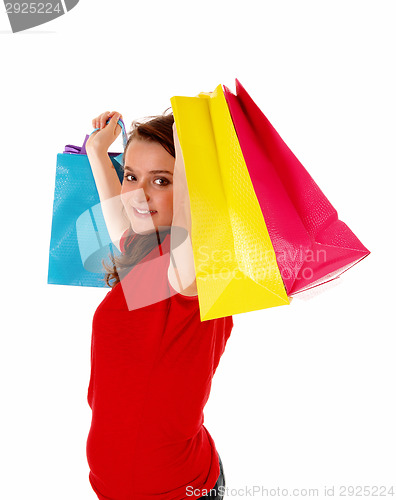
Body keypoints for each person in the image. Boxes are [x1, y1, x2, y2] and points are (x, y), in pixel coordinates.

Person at [85, 109, 233, 500]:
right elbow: (120, 220)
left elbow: (188, 213)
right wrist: (99, 153)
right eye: (131, 176)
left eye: (162, 181)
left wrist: (193, 144)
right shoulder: (145, 249)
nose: (137, 194)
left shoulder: (196, 265)